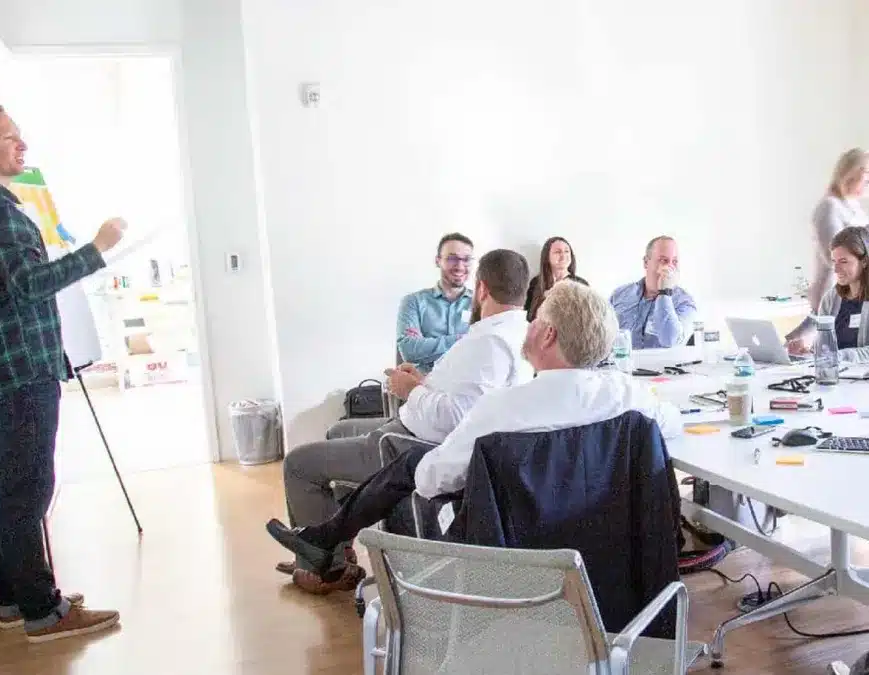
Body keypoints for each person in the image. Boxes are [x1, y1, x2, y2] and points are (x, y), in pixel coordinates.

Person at [266, 281, 682, 578]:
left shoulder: (504, 410)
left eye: (535, 319)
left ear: (548, 334)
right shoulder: (631, 397)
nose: (528, 325)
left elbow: (432, 480)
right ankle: (325, 539)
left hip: (515, 566)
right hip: (608, 562)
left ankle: (327, 540)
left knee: (416, 464)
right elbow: (672, 424)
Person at [278, 248, 532, 593]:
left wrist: (411, 390)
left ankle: (325, 566)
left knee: (299, 462)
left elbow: (460, 418)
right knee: (338, 430)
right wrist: (425, 384)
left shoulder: (490, 342)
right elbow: (466, 397)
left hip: (406, 443)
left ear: (482, 288)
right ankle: (335, 549)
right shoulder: (513, 333)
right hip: (412, 424)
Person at [0, 104, 124, 642]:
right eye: (8, 137)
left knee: (17, 485)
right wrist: (97, 249)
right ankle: (44, 610)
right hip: (20, 371)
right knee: (29, 488)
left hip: (8, 370)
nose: (22, 146)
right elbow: (31, 284)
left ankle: (19, 597)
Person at [787, 226, 869, 363]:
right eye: (834, 261)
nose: (836, 269)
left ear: (864, 261)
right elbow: (823, 348)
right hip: (832, 376)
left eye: (843, 261)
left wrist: (837, 356)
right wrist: (808, 352)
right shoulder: (831, 299)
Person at [396, 233, 475, 373]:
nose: (460, 266)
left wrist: (428, 346)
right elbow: (409, 351)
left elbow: (485, 349)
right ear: (438, 261)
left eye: (466, 259)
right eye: (452, 258)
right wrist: (464, 340)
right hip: (422, 387)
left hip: (466, 387)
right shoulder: (413, 302)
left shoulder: (481, 303)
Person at [806, 148, 869, 313]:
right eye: (866, 176)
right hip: (834, 298)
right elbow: (836, 258)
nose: (867, 182)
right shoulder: (829, 207)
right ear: (850, 174)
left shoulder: (853, 206)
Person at [609, 236, 698, 349]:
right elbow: (603, 337)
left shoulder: (685, 302)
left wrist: (664, 292)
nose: (669, 267)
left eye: (674, 262)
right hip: (621, 365)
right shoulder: (619, 295)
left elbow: (670, 340)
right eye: (663, 260)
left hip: (663, 366)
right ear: (646, 262)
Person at [524, 236, 589, 321]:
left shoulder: (581, 284)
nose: (563, 256)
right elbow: (528, 315)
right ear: (547, 257)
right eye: (558, 252)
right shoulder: (536, 283)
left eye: (566, 251)